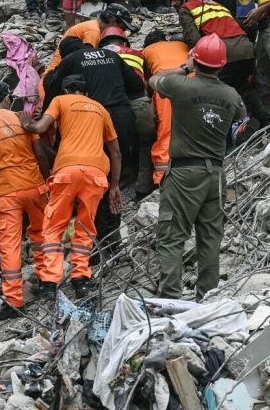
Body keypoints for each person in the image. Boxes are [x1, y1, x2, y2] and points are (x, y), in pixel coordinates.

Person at [149, 35, 245, 299]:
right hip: (215, 174)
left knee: (172, 236)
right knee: (210, 238)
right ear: (222, 65)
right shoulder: (232, 95)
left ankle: (170, 299)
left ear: (195, 59)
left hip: (184, 173)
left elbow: (154, 80)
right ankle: (207, 297)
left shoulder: (180, 85)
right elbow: (241, 123)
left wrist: (185, 67)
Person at [20, 74, 121, 297]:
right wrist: (114, 185)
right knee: (86, 227)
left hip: (67, 170)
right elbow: (115, 152)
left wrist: (27, 123)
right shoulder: (100, 109)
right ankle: (81, 279)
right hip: (96, 173)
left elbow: (40, 128)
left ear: (66, 90)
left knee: (54, 225)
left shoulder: (60, 100)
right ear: (86, 92)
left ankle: (49, 282)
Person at [44, 33, 143, 256]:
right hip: (124, 118)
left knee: (96, 180)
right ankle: (112, 238)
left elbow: (51, 89)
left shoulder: (71, 60)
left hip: (94, 119)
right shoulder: (111, 55)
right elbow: (137, 84)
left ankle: (95, 241)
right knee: (113, 180)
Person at [0, 82, 53, 318]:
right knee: (42, 235)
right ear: (7, 98)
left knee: (9, 245)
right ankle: (48, 284)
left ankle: (14, 301)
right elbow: (39, 152)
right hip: (35, 186)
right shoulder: (22, 118)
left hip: (7, 192)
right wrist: (48, 181)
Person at [166, 0, 256, 109]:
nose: (172, 3)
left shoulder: (186, 9)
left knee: (217, 96)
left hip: (226, 54)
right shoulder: (215, 4)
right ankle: (264, 118)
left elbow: (194, 40)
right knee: (242, 87)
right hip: (247, 50)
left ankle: (230, 122)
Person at [97, 25, 156, 199]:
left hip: (111, 107)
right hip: (138, 102)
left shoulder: (97, 56)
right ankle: (143, 187)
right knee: (146, 141)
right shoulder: (137, 53)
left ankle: (113, 183)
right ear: (124, 42)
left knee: (111, 145)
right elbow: (146, 82)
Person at [140, 31, 190, 185]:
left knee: (166, 132)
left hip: (166, 87)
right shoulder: (182, 45)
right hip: (194, 84)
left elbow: (147, 82)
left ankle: (161, 177)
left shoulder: (146, 52)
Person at [41, 3, 138, 80]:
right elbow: (89, 63)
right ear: (113, 22)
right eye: (123, 27)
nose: (123, 31)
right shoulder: (94, 32)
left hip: (57, 77)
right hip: (57, 79)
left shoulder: (95, 27)